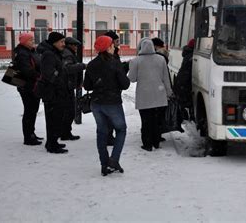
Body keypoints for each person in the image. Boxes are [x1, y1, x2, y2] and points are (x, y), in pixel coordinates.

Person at [83, 35, 130, 176]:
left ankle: (104, 164)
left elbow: (86, 86)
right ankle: (114, 160)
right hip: (112, 103)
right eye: (112, 45)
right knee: (121, 129)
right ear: (108, 47)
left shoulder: (91, 64)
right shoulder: (114, 63)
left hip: (96, 103)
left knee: (102, 133)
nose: (114, 47)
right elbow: (125, 84)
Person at [128, 38, 172, 152]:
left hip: (144, 97)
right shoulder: (161, 59)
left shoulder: (135, 61)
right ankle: (156, 142)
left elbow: (132, 79)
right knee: (157, 121)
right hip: (159, 95)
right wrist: (169, 92)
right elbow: (166, 78)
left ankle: (147, 144)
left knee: (146, 121)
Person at [36, 32, 71, 154]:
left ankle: (53, 141)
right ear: (54, 42)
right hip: (52, 93)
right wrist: (59, 82)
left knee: (56, 119)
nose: (63, 44)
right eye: (61, 41)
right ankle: (51, 144)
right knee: (53, 119)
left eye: (64, 41)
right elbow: (49, 74)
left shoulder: (55, 53)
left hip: (56, 92)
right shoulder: (49, 54)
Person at [13, 32, 43, 145]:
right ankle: (28, 137)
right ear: (24, 42)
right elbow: (27, 70)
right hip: (27, 86)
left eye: (33, 39)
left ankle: (32, 133)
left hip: (33, 85)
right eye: (30, 40)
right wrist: (40, 76)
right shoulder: (22, 53)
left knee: (33, 110)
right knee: (29, 111)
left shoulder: (31, 51)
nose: (33, 41)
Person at [61, 37, 86, 141]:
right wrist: (82, 66)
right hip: (66, 86)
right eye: (74, 45)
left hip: (69, 85)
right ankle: (65, 133)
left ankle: (65, 132)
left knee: (69, 110)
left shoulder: (68, 53)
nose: (76, 47)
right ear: (69, 45)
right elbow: (68, 68)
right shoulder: (67, 54)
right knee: (69, 111)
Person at [173, 38, 195, 121]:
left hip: (181, 80)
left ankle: (184, 114)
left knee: (183, 100)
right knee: (188, 100)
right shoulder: (191, 56)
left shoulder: (187, 54)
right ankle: (186, 115)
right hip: (185, 81)